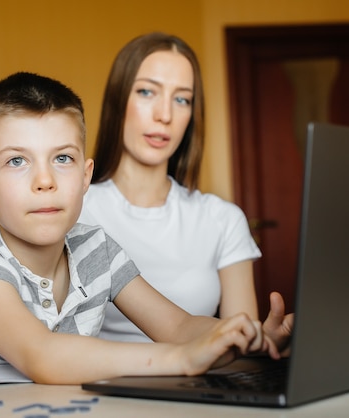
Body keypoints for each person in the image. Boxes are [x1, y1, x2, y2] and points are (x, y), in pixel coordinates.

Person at [0, 72, 281, 385]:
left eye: (63, 158)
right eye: (17, 161)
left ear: (85, 176)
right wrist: (181, 360)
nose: (45, 180)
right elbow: (42, 356)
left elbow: (178, 328)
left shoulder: (96, 249)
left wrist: (245, 337)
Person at [78, 32, 293, 352]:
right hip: (98, 390)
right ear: (118, 100)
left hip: (199, 391)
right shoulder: (73, 210)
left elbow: (238, 344)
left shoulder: (223, 219)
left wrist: (258, 345)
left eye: (182, 99)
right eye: (147, 92)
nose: (164, 115)